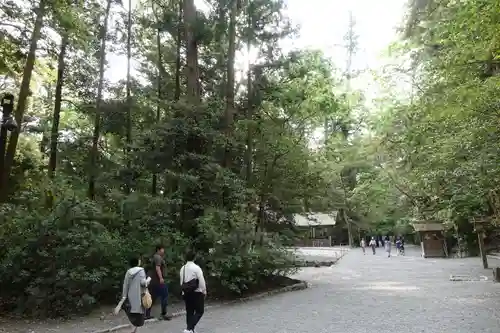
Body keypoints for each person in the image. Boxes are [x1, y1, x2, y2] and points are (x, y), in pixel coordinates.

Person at [115, 257, 151, 333]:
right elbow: (143, 283)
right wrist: (149, 279)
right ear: (137, 262)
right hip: (139, 297)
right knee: (140, 317)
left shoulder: (128, 272)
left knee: (132, 316)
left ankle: (133, 331)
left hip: (130, 298)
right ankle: (135, 331)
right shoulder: (141, 270)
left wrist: (122, 300)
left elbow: (125, 286)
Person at [180, 250, 207, 333]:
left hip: (187, 292)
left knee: (189, 311)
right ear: (194, 258)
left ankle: (191, 329)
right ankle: (189, 328)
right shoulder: (196, 268)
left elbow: (181, 281)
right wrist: (204, 290)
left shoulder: (182, 268)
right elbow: (201, 281)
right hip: (197, 292)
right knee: (199, 311)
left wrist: (183, 291)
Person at [146, 245, 172, 320]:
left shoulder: (155, 257)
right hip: (157, 280)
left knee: (152, 297)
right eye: (162, 249)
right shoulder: (157, 257)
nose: (163, 251)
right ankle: (164, 314)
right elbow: (158, 268)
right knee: (165, 295)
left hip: (153, 280)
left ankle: (146, 314)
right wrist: (161, 278)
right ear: (158, 250)